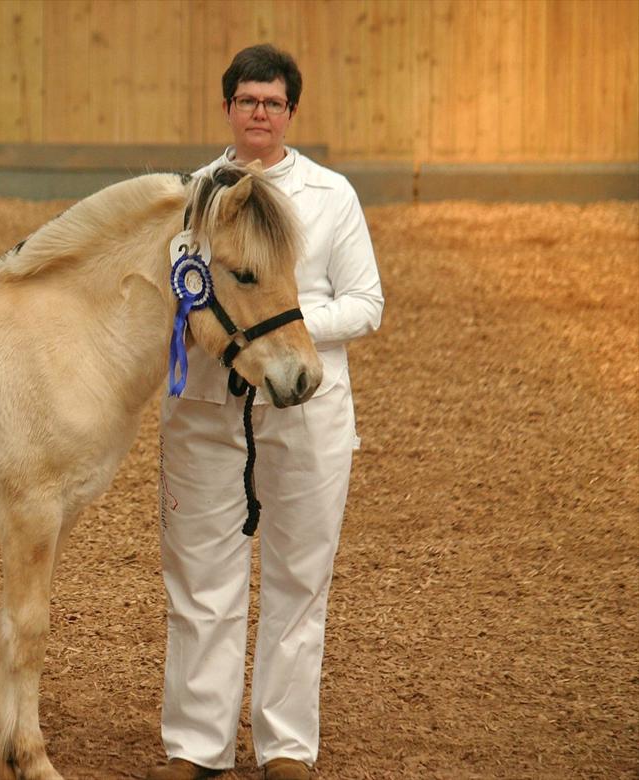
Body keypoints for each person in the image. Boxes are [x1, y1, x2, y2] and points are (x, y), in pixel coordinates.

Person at [148, 45, 384, 780]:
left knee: (298, 579)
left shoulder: (331, 195)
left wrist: (279, 327)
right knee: (200, 581)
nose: (260, 113)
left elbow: (366, 303)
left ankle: (284, 747)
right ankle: (196, 746)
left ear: (290, 113)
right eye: (248, 100)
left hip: (305, 408)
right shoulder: (191, 199)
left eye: (273, 102)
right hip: (206, 409)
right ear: (228, 109)